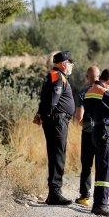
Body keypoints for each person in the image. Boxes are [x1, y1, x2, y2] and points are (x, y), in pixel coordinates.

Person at [74, 66, 109, 208]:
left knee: (90, 165)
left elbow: (79, 117)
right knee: (108, 163)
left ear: (87, 77)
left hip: (90, 132)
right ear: (108, 80)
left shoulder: (85, 92)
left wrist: (86, 125)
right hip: (105, 131)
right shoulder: (106, 91)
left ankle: (85, 196)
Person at [32, 51, 75, 205]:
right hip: (57, 121)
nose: (72, 66)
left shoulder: (53, 74)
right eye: (71, 63)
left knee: (56, 154)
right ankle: (55, 193)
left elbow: (45, 97)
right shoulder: (58, 76)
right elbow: (53, 98)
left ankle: (53, 193)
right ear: (64, 63)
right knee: (58, 156)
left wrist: (41, 113)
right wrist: (48, 114)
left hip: (55, 120)